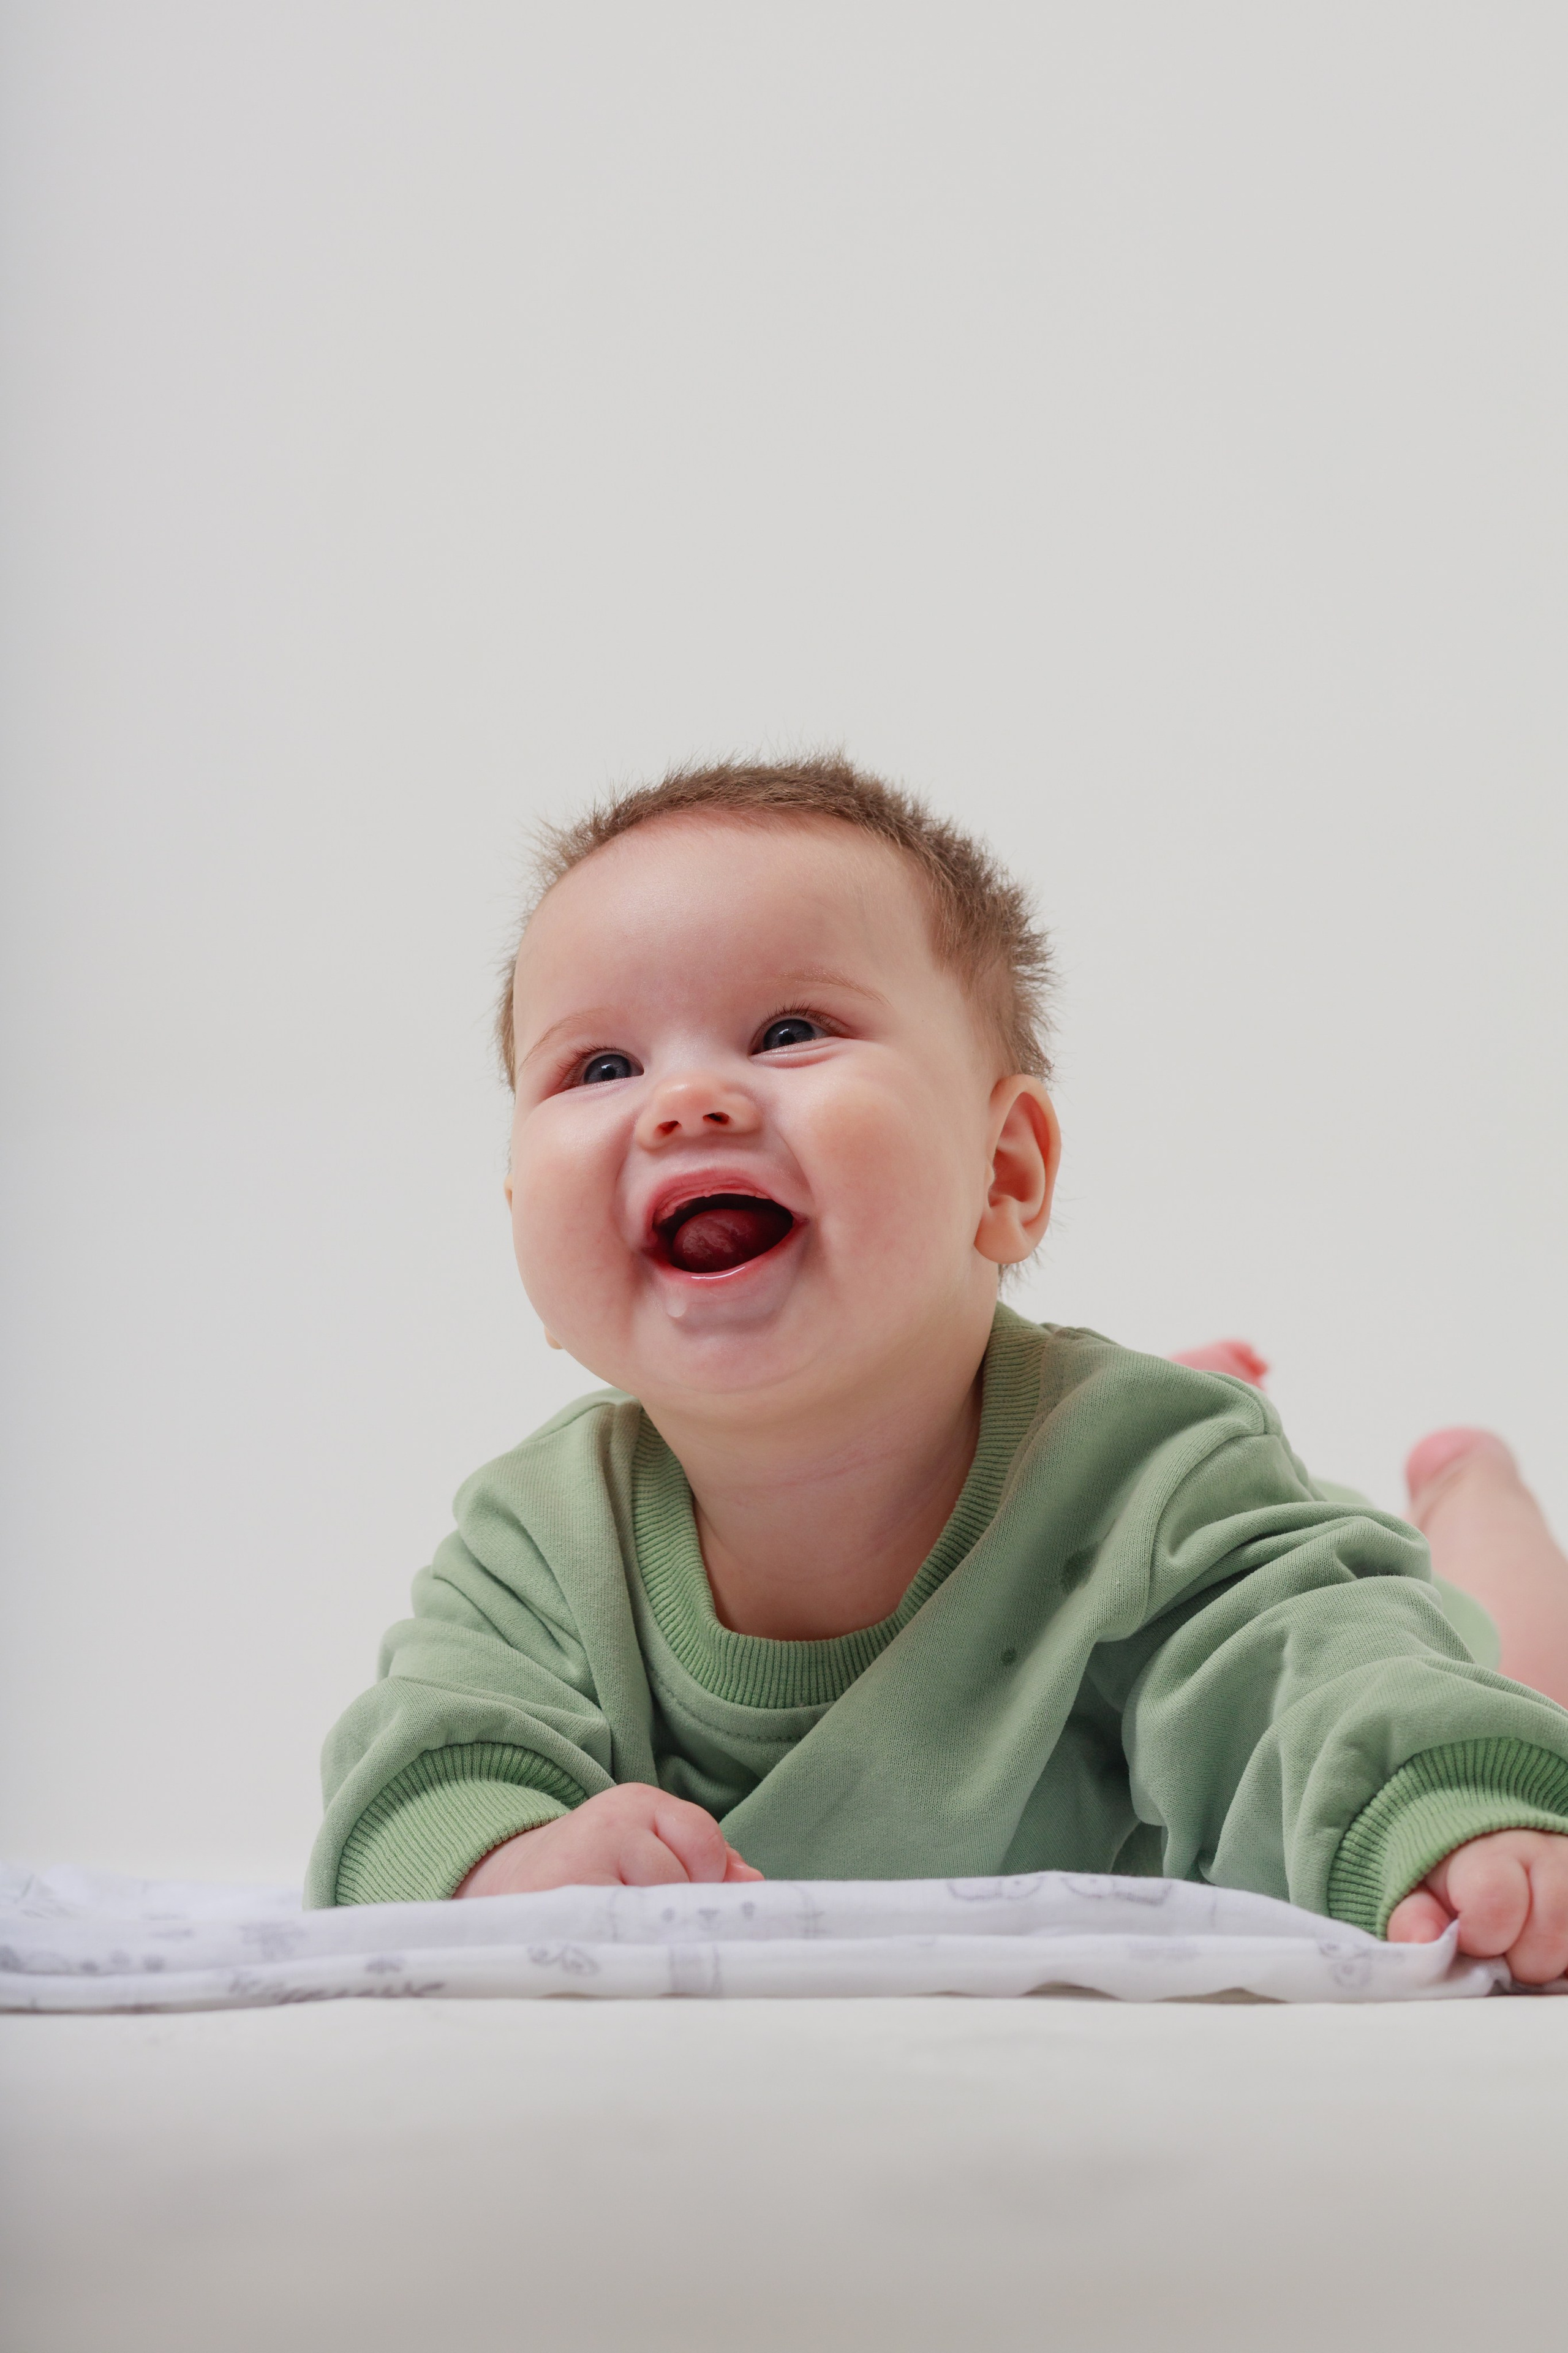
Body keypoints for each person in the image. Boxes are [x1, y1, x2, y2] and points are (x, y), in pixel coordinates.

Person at [309, 758, 1568, 1984]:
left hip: (1246, 1572)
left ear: (1004, 1172)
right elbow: (424, 1765)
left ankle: (1468, 1499)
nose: (682, 1100)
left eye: (788, 1032)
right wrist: (503, 1858)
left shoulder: (1152, 1489)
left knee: (1498, 1678)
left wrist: (1451, 1817)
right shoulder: (538, 1541)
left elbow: (1329, 1677)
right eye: (599, 1067)